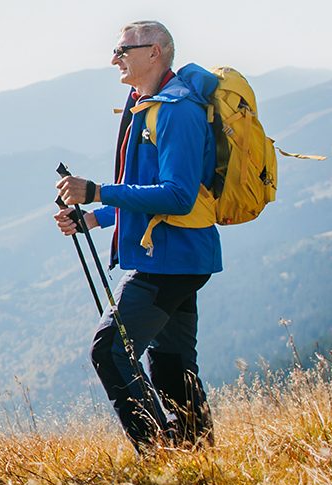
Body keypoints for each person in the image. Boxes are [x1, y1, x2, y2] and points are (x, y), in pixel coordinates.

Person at [55, 20, 220, 454]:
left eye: (124, 49)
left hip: (171, 255)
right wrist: (95, 218)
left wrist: (97, 191)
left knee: (109, 350)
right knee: (171, 364)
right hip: (176, 254)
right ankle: (195, 456)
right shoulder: (145, 103)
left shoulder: (178, 110)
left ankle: (159, 455)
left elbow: (179, 195)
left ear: (156, 52)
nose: (115, 58)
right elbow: (147, 187)